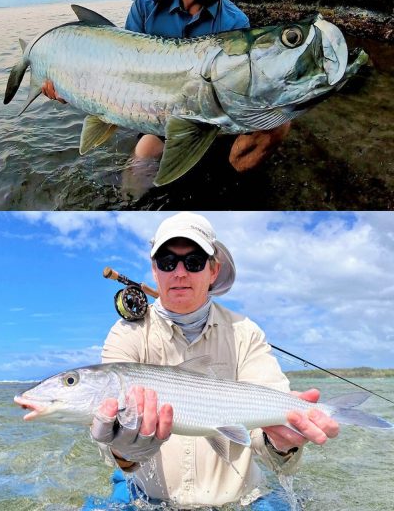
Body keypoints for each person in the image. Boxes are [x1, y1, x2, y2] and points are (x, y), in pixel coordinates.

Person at [88, 212, 339, 508]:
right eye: (168, 262)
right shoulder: (126, 334)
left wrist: (280, 443)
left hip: (241, 500)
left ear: (213, 270)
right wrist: (123, 449)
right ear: (155, 271)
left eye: (193, 262)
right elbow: (106, 440)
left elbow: (267, 445)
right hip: (145, 497)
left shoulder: (246, 333)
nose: (180, 273)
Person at [43, 0, 290, 174]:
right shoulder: (146, 6)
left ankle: (232, 176)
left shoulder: (236, 22)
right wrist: (71, 87)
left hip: (214, 116)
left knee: (280, 124)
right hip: (159, 115)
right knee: (143, 157)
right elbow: (120, 69)